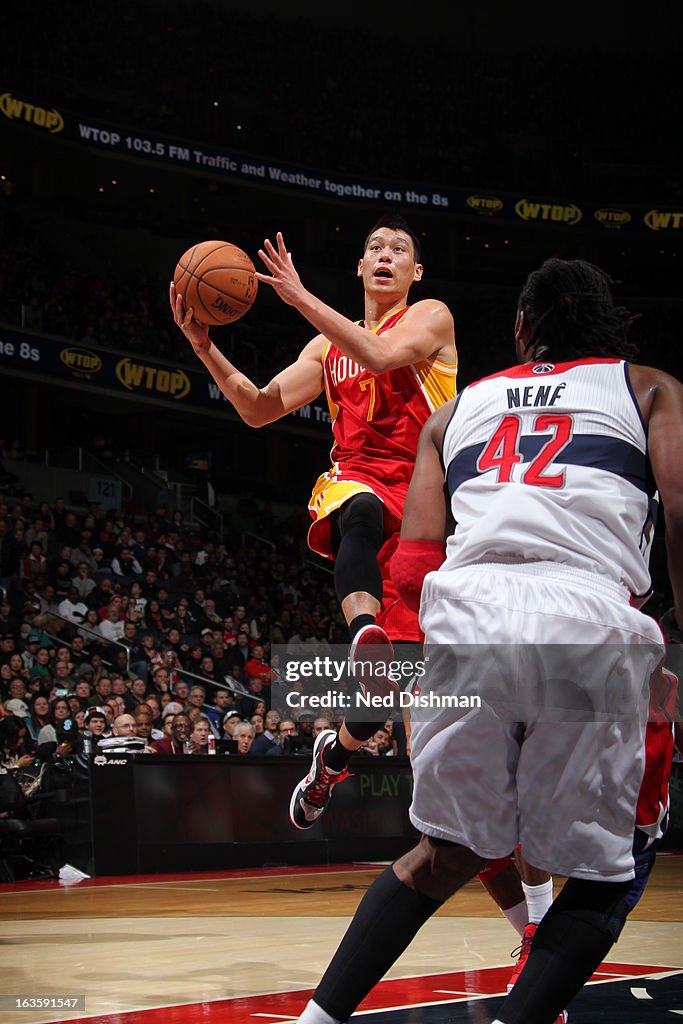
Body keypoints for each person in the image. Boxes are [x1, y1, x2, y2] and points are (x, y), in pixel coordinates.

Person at [294, 257, 683, 1024]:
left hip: (464, 623)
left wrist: (403, 649)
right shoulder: (648, 387)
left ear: (519, 329)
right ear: (604, 324)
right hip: (584, 624)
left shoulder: (457, 408)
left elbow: (412, 557)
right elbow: (680, 510)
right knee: (613, 867)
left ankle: (315, 1021)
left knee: (441, 854)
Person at [171, 216, 457, 827]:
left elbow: (379, 354)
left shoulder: (433, 316)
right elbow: (256, 407)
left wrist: (299, 297)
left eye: (399, 249)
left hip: (427, 510)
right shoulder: (326, 349)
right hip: (360, 481)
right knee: (360, 506)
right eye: (374, 247)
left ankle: (334, 757)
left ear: (415, 272)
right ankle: (363, 633)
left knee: (388, 705)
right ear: (360, 267)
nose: (386, 255)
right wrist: (204, 346)